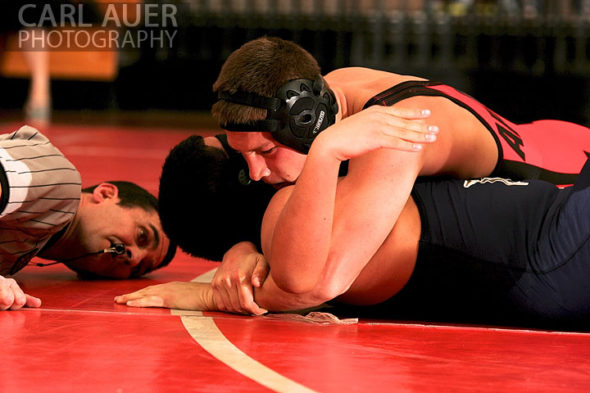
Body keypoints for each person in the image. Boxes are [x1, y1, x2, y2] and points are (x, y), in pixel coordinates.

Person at [157, 36, 590, 314]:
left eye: (267, 151)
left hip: (565, 175)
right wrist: (241, 247)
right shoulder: (334, 87)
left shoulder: (394, 131)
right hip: (555, 146)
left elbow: (319, 282)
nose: (256, 172)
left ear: (310, 122)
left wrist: (214, 296)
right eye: (244, 157)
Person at [116, 124, 590, 329]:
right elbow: (311, 284)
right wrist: (328, 145)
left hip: (558, 236)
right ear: (247, 172)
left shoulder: (292, 218)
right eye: (236, 142)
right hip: (558, 251)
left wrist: (235, 259)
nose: (258, 135)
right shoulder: (291, 217)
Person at [0, 125, 176, 311]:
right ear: (106, 193)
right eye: (142, 235)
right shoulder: (62, 183)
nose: (133, 258)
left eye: (137, 269)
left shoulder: (15, 259)